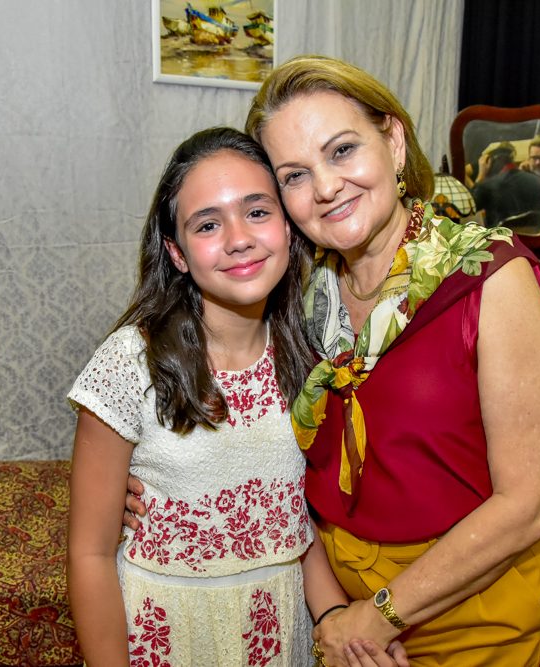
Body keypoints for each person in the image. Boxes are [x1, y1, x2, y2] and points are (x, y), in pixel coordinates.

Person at [122, 55, 540, 667]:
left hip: (470, 609)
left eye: (341, 151)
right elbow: (252, 427)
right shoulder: (301, 294)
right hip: (334, 602)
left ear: (392, 137)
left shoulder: (491, 279)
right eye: (295, 176)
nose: (327, 187)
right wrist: (151, 471)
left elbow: (530, 506)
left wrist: (378, 615)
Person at [67, 126, 406, 667]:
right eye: (207, 224)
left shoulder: (315, 350)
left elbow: (298, 521)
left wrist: (333, 619)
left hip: (279, 631)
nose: (238, 238)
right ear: (177, 253)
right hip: (166, 632)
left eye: (256, 211)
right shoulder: (131, 362)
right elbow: (88, 552)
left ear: (290, 227)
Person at [470, 141, 540, 228]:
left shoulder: (486, 187)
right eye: (534, 158)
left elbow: (468, 208)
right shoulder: (538, 182)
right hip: (534, 237)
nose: (537, 162)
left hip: (500, 239)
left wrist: (480, 176)